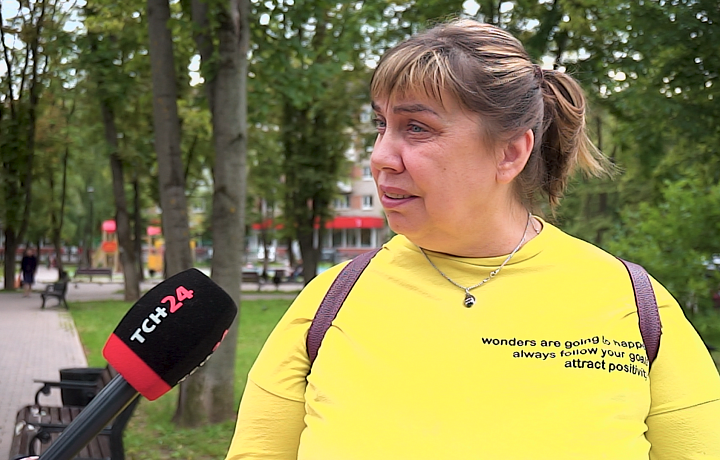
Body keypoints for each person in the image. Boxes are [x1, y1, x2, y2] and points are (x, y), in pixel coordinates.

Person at [225, 19, 720, 459]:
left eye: (416, 128)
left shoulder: (636, 306)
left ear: (510, 154)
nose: (380, 157)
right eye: (382, 125)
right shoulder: (328, 304)